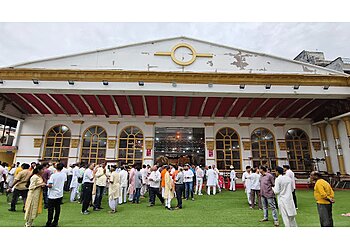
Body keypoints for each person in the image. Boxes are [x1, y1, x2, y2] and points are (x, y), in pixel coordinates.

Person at [46, 162, 67, 227]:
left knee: (50, 209)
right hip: (60, 193)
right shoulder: (64, 174)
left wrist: (45, 185)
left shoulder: (53, 175)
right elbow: (65, 182)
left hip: (52, 194)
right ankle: (55, 221)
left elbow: (50, 185)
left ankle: (49, 222)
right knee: (57, 208)